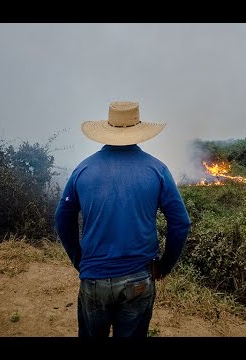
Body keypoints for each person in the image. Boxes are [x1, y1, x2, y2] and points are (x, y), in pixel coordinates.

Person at [54, 101, 191, 337]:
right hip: (139, 278)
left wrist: (79, 259)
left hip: (93, 278)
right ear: (138, 129)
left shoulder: (83, 169)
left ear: (108, 128)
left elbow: (62, 217)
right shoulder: (157, 170)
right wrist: (164, 266)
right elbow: (181, 222)